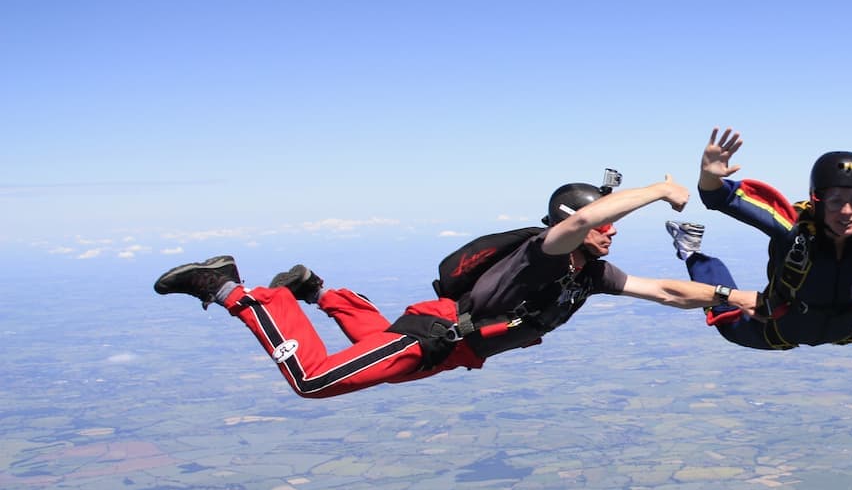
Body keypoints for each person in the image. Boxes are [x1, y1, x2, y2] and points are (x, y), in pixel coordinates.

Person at [153, 175, 759, 398]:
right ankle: (235, 290)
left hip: (452, 349)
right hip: (434, 336)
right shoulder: (546, 253)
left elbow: (667, 292)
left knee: (382, 348)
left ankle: (316, 289)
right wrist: (656, 190)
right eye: (606, 226)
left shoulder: (589, 275)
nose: (610, 237)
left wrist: (746, 300)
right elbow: (578, 224)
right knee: (314, 380)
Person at [663, 127, 852, 350]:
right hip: (778, 328)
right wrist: (710, 175)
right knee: (727, 320)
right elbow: (719, 198)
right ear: (817, 201)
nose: (847, 211)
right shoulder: (795, 227)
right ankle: (692, 252)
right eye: (835, 200)